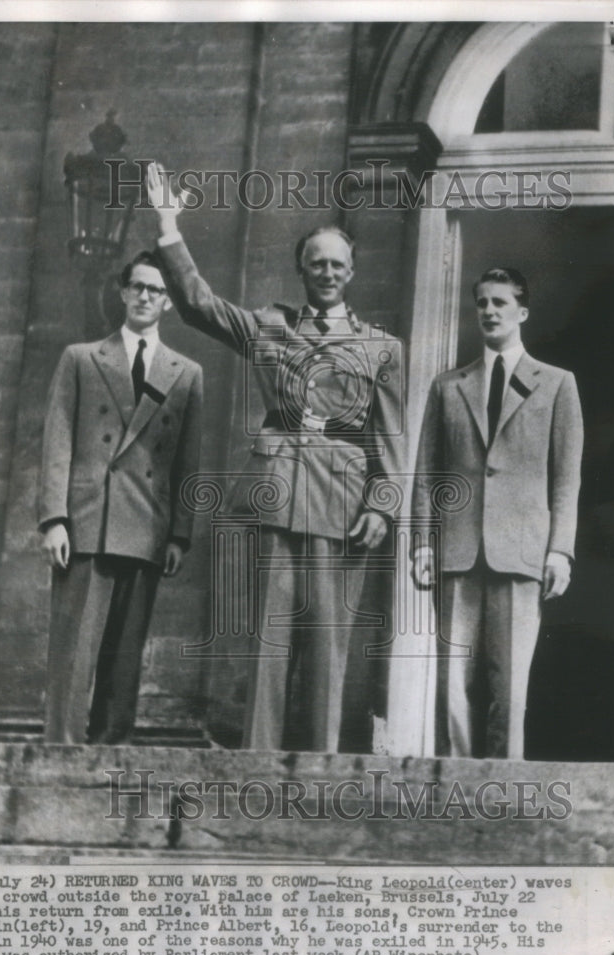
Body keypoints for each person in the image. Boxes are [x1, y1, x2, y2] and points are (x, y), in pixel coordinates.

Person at [146, 162, 404, 753]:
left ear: (352, 272)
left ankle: (320, 765)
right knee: (270, 638)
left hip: (344, 502)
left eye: (337, 264)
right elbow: (199, 305)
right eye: (317, 263)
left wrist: (383, 506)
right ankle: (258, 761)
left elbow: (392, 437)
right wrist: (167, 224)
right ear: (301, 269)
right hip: (280, 491)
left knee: (328, 642)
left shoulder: (381, 347)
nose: (327, 273)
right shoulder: (269, 326)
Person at [411, 267, 583, 759]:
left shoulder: (557, 384)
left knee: (510, 689)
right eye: (482, 302)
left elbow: (566, 479)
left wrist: (560, 551)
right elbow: (426, 476)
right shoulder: (448, 386)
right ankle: (455, 784)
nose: (489, 311)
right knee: (452, 684)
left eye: (500, 302)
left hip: (521, 553)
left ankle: (504, 787)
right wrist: (422, 545)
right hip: (457, 552)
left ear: (522, 312)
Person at [38, 250, 202, 744]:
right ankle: (61, 753)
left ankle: (110, 756)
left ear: (168, 301)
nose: (146, 296)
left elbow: (187, 463)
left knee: (125, 656)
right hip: (87, 520)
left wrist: (179, 536)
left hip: (147, 525)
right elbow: (57, 441)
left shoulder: (186, 372)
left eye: (157, 290)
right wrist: (54, 518)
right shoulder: (81, 358)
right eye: (138, 287)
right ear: (124, 292)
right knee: (73, 654)